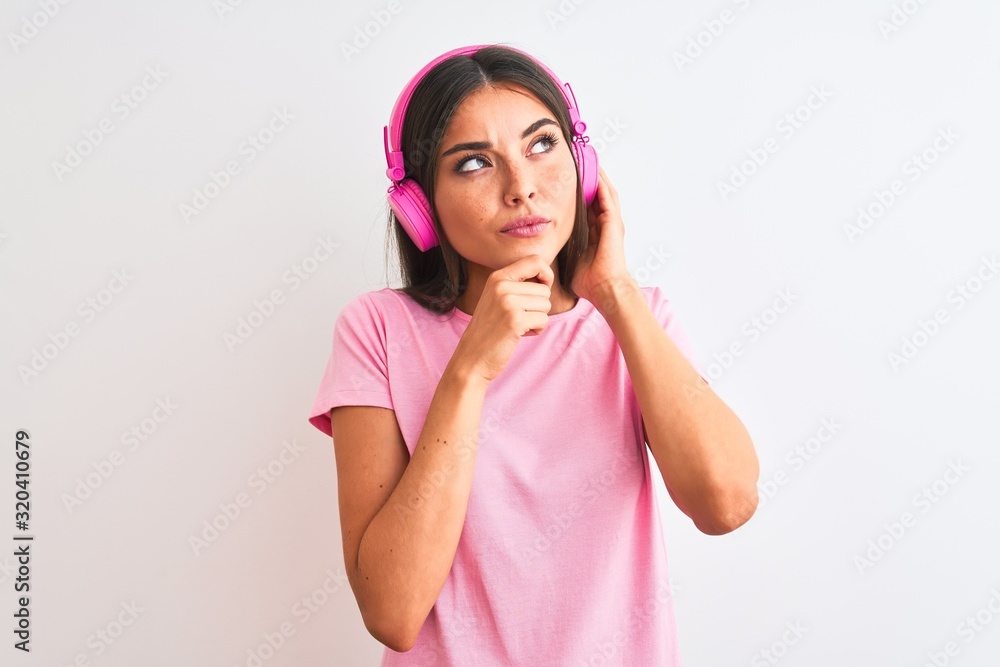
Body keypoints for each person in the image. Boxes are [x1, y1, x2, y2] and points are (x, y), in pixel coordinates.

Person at [308, 43, 759, 666]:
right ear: (420, 207)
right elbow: (392, 611)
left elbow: (727, 505)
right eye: (473, 163)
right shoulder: (377, 330)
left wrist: (616, 294)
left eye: (542, 144)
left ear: (584, 166)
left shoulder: (636, 317)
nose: (522, 187)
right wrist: (470, 369)